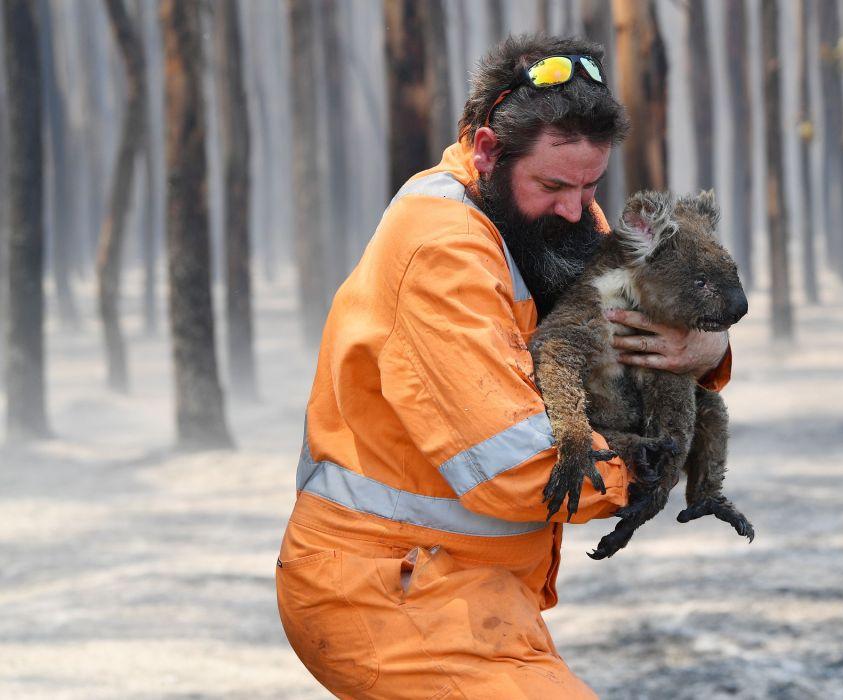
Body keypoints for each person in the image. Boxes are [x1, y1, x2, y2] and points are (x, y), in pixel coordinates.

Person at [275, 34, 732, 698]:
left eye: (592, 184)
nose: (580, 209)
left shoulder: (543, 214)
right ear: (489, 150)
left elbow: (641, 323)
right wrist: (648, 468)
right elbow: (514, 464)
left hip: (469, 589)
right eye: (554, 185)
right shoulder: (444, 251)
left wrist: (709, 352)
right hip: (387, 593)